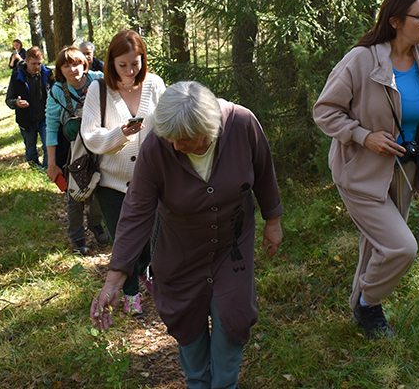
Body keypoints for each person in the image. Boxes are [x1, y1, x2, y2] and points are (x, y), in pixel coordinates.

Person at [90, 81, 283, 389]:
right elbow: (136, 210)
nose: (176, 147)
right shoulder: (157, 147)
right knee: (187, 322)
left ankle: (224, 385)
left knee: (233, 318)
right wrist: (115, 278)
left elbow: (263, 170)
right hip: (179, 252)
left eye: (185, 140)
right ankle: (197, 383)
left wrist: (272, 219)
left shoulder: (242, 124)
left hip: (233, 247)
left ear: (211, 129)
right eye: (171, 139)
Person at [313, 0, 419, 339]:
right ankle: (369, 305)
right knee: (401, 247)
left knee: (377, 244)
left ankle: (360, 308)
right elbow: (325, 112)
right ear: (396, 21)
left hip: (404, 170)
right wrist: (363, 135)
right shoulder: (362, 61)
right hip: (361, 172)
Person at [80, 29, 165, 315]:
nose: (130, 71)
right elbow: (90, 135)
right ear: (111, 62)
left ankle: (149, 276)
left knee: (152, 237)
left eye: (136, 63)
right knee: (123, 239)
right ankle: (130, 294)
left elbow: (167, 126)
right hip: (112, 183)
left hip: (152, 181)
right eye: (123, 65)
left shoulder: (154, 85)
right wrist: (120, 134)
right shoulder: (99, 89)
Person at [46, 46, 110, 253]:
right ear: (60, 70)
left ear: (85, 63)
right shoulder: (57, 91)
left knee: (104, 187)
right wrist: (52, 164)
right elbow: (51, 127)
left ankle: (95, 222)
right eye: (66, 66)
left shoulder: (98, 79)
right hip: (73, 149)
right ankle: (77, 239)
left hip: (102, 143)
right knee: (74, 195)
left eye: (76, 64)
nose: (72, 69)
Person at [6, 47, 51, 168]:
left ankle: (47, 170)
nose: (37, 67)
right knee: (30, 149)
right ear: (26, 61)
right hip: (26, 120)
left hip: (45, 118)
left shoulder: (47, 75)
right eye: (33, 64)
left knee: (48, 145)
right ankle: (35, 168)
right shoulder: (16, 77)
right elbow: (8, 100)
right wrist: (17, 103)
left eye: (39, 63)